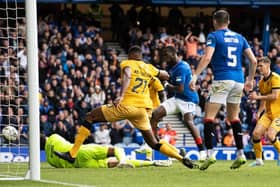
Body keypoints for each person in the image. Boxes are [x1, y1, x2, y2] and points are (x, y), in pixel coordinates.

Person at [55, 45, 197, 169]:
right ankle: (181, 158)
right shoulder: (149, 68)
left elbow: (128, 74)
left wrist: (121, 95)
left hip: (126, 106)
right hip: (142, 111)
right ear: (141, 57)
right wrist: (168, 78)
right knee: (153, 142)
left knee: (90, 117)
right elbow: (165, 75)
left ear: (130, 56)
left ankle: (72, 154)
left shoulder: (127, 63)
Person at [189, 10, 257, 170]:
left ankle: (210, 154)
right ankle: (240, 154)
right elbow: (253, 60)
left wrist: (195, 75)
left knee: (208, 117)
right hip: (239, 81)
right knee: (234, 117)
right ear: (229, 21)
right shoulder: (240, 37)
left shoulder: (214, 36)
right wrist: (250, 80)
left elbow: (207, 57)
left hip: (222, 79)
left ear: (214, 21)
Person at [151, 46, 206, 161]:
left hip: (188, 99)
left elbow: (180, 88)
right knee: (155, 114)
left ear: (171, 54)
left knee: (188, 122)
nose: (164, 59)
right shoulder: (174, 66)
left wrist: (166, 85)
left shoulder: (182, 67)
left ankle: (201, 150)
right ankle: (154, 143)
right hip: (177, 98)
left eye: (165, 56)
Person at [41, 133, 171, 168]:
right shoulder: (53, 137)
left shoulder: (49, 160)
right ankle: (125, 160)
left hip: (83, 165)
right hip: (82, 152)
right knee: (117, 150)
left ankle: (151, 163)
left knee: (111, 163)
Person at [248, 57, 280, 166]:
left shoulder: (275, 78)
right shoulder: (261, 82)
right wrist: (258, 112)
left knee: (271, 135)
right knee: (256, 134)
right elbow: (264, 99)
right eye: (258, 66)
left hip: (279, 114)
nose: (259, 68)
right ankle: (259, 161)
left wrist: (257, 97)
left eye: (261, 66)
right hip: (268, 113)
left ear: (268, 65)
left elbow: (275, 96)